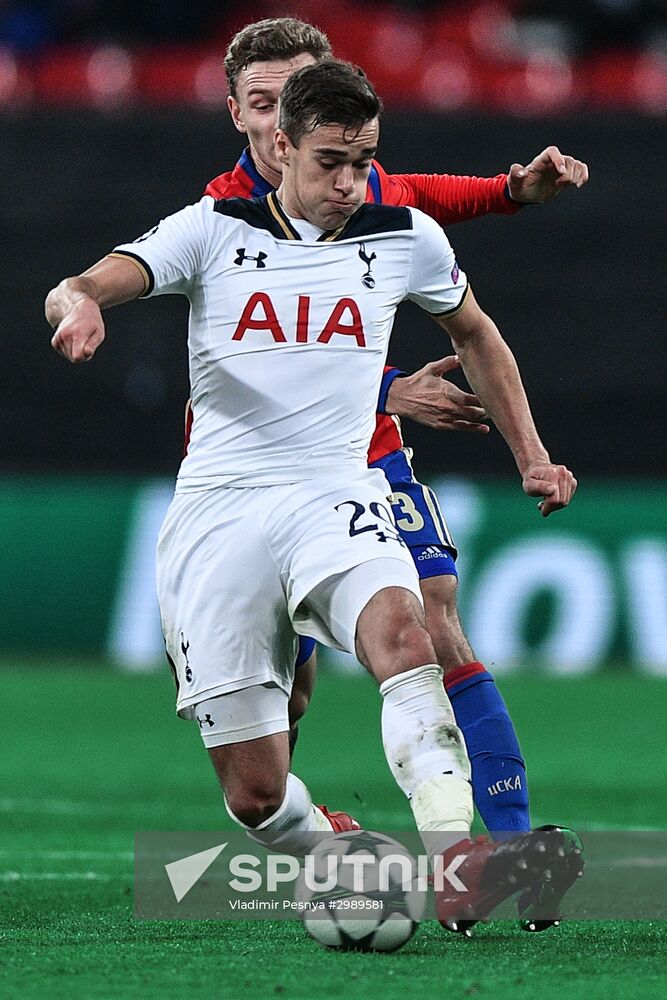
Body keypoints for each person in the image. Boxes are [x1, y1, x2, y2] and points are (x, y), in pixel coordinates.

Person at [46, 58, 583, 930]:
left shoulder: (401, 233)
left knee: (410, 631)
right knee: (255, 797)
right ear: (280, 147)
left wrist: (532, 455)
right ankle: (333, 851)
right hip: (219, 512)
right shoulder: (209, 230)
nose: (348, 180)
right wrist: (80, 307)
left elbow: (475, 331)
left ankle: (460, 861)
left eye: (363, 159)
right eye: (329, 161)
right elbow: (85, 281)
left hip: (336, 489)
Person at [190, 18, 589, 930]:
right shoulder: (222, 216)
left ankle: (495, 854)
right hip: (252, 482)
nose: (283, 117)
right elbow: (243, 358)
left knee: (433, 621)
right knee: (276, 716)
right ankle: (310, 837)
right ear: (249, 119)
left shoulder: (359, 181)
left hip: (362, 465)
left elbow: (430, 202)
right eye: (265, 104)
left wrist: (513, 191)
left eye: (303, 93)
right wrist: (386, 386)